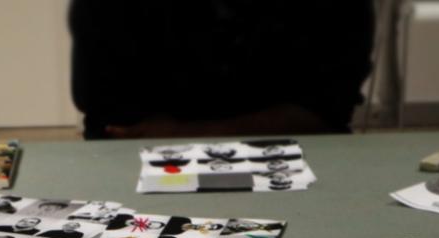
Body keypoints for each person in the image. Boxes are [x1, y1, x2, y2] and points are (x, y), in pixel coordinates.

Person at [69, 0, 375, 139]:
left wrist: (180, 132)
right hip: (135, 164)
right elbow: (109, 115)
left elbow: (328, 111)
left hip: (305, 159)